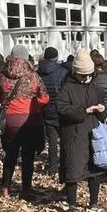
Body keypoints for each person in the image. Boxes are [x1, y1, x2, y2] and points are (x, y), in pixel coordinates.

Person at [0, 50, 49, 199]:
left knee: (10, 155)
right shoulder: (33, 76)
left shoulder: (1, 75)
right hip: (30, 120)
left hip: (9, 121)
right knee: (28, 157)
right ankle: (26, 190)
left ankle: (5, 188)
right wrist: (33, 104)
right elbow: (44, 98)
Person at [57, 48, 106, 212]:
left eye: (88, 75)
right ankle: (72, 205)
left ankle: (93, 202)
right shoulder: (67, 88)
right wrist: (84, 110)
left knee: (95, 169)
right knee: (73, 170)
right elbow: (61, 108)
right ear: (75, 73)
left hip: (93, 133)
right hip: (73, 134)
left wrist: (101, 109)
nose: (86, 78)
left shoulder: (94, 86)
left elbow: (103, 106)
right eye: (82, 75)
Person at [37, 47, 68, 175]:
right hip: (60, 108)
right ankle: (64, 166)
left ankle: (52, 167)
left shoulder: (38, 71)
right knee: (65, 140)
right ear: (56, 57)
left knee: (52, 141)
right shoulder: (63, 72)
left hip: (45, 107)